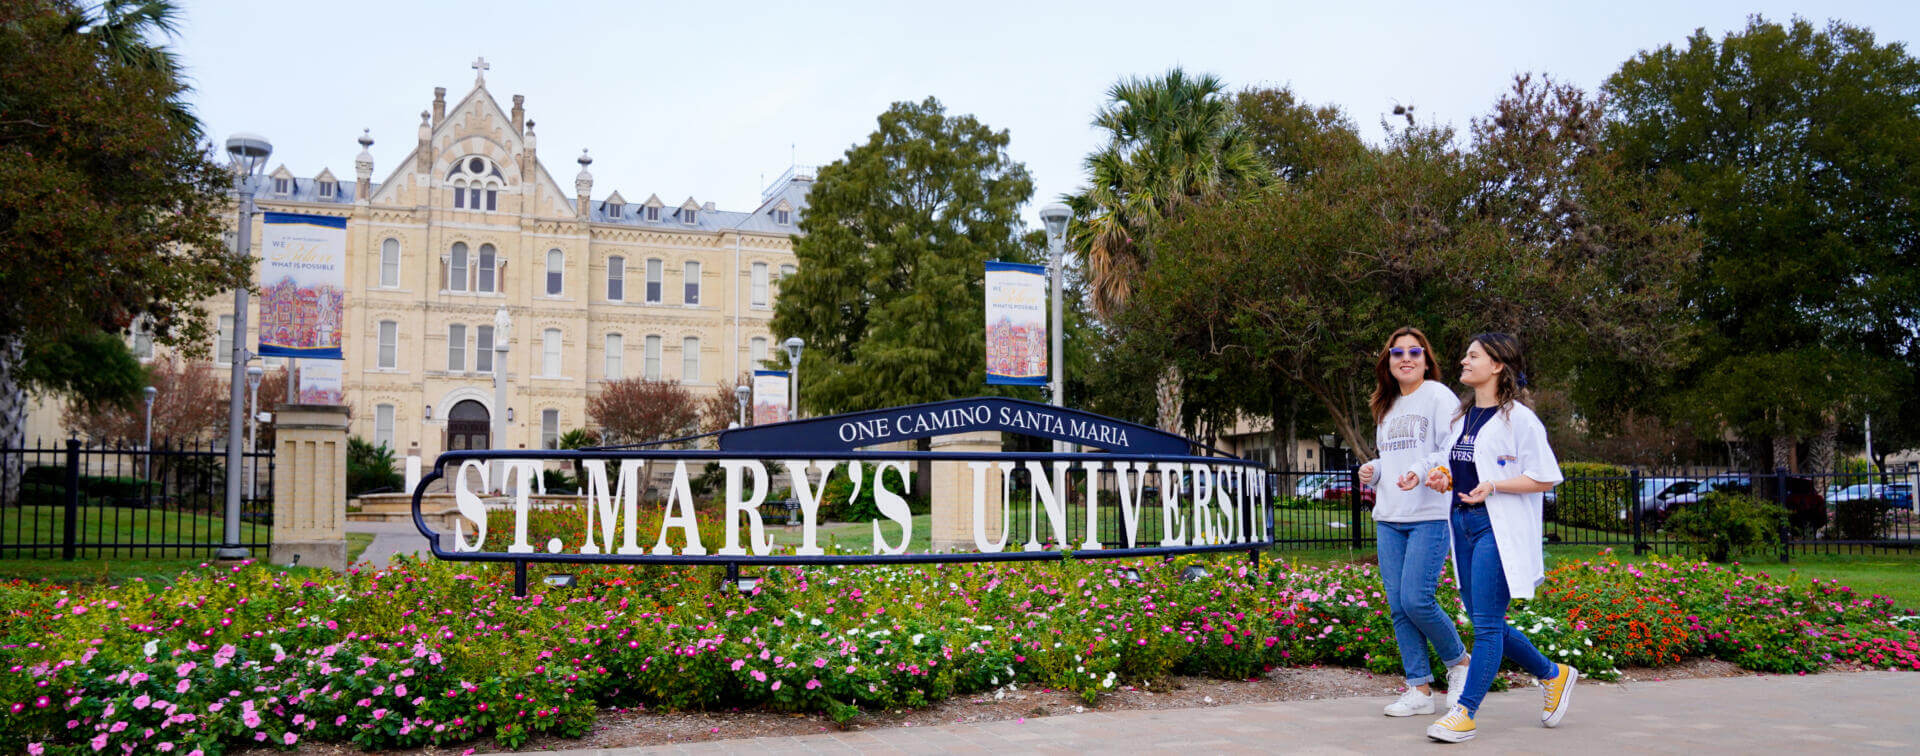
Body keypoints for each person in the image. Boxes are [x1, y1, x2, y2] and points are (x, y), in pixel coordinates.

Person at [1416, 332, 1577, 743]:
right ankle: (1553, 674)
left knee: (1486, 627)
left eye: (1474, 356)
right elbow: (1461, 468)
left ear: (1497, 365)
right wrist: (1442, 477)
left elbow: (1544, 476)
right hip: (1463, 524)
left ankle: (1464, 713)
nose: (1464, 362)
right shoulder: (1463, 417)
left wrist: (1495, 485)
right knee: (1488, 622)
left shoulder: (1518, 418)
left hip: (1495, 528)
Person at [1355, 327, 1470, 717]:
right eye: (1398, 352)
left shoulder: (1438, 396)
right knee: (1399, 607)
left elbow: (1450, 450)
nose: (1406, 358)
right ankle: (1418, 689)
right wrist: (1374, 469)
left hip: (1428, 515)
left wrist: (1421, 471)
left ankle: (1459, 664)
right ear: (1388, 361)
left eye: (1415, 352)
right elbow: (1392, 461)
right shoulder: (1385, 407)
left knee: (1416, 599)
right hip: (1389, 516)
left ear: (1426, 359)